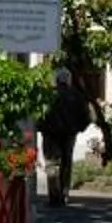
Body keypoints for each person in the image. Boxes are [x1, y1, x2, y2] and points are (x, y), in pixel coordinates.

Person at [41, 64, 91, 205]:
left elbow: (39, 115)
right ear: (68, 79)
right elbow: (86, 117)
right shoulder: (76, 95)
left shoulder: (47, 96)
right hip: (69, 134)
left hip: (50, 134)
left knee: (52, 164)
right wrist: (78, 128)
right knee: (66, 163)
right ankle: (64, 194)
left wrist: (41, 127)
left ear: (56, 80)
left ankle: (54, 195)